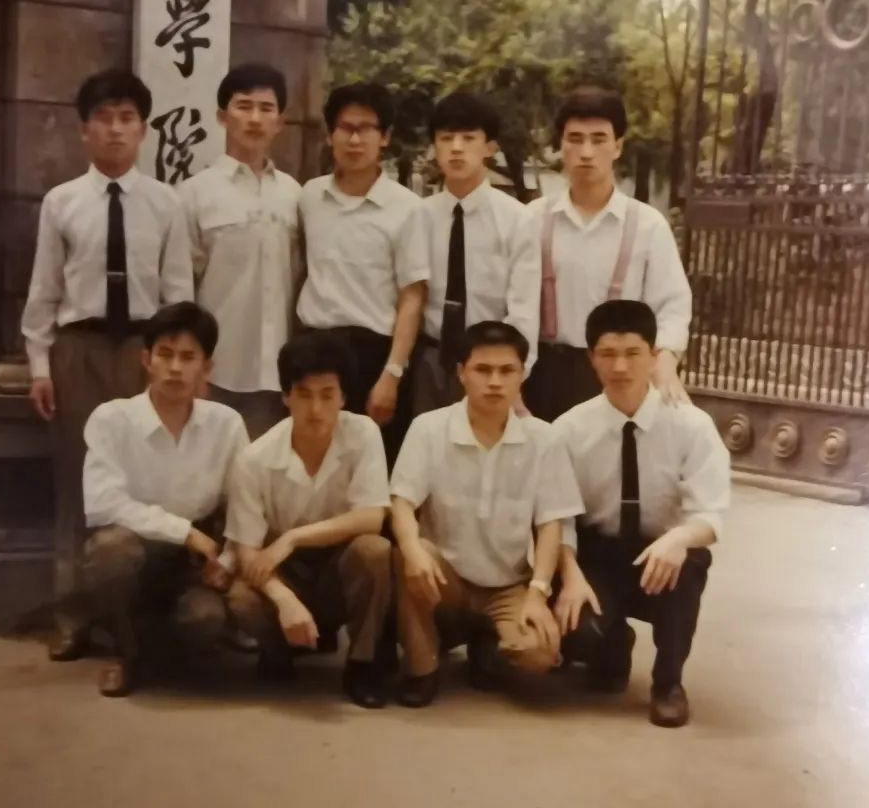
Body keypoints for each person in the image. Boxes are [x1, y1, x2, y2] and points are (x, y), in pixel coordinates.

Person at [21, 69, 195, 661]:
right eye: (103, 118)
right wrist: (40, 366)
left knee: (145, 478)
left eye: (127, 119)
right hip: (81, 350)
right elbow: (44, 291)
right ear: (84, 130)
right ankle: (72, 615)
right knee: (77, 481)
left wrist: (176, 363)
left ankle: (139, 615)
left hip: (144, 353)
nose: (115, 130)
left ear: (143, 130)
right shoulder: (62, 203)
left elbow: (178, 292)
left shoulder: (166, 203)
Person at [550, 299, 730, 729]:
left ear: (653, 355)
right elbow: (557, 517)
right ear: (591, 358)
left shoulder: (691, 426)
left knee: (690, 562)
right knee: (581, 631)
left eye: (633, 353)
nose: (620, 366)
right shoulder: (568, 430)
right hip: (598, 553)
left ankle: (668, 684)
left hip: (661, 554)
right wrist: (570, 577)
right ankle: (611, 646)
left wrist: (678, 539)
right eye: (608, 354)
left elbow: (710, 514)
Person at [390, 321, 583, 708]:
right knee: (409, 553)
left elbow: (551, 524)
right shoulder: (428, 429)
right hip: (446, 579)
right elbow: (402, 503)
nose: (495, 382)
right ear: (461, 373)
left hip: (507, 585)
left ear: (522, 374)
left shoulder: (544, 439)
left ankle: (487, 644)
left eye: (507, 370)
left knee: (539, 654)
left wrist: (538, 592)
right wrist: (411, 549)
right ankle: (422, 667)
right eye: (483, 370)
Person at [81, 303, 249, 697]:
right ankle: (124, 653)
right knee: (110, 550)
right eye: (165, 355)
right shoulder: (112, 419)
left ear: (206, 368)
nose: (175, 368)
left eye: (188, 357)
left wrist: (225, 562)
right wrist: (184, 532)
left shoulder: (226, 424)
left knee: (206, 622)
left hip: (192, 562)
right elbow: (103, 503)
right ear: (147, 360)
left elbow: (244, 507)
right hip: (135, 551)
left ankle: (154, 643)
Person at [225, 330, 394, 709]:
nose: (316, 409)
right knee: (241, 597)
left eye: (327, 395)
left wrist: (294, 537)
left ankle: (362, 663)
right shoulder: (254, 459)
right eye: (303, 394)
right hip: (285, 570)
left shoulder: (363, 433)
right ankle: (280, 647)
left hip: (338, 562)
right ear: (285, 396)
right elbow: (247, 551)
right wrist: (284, 598)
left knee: (375, 551)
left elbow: (372, 517)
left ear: (344, 397)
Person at [523, 84, 692, 424]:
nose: (586, 152)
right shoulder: (532, 219)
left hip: (620, 376)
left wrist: (665, 360)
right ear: (560, 146)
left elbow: (672, 306)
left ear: (617, 146)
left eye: (599, 139)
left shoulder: (648, 225)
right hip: (543, 377)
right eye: (575, 139)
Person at [296, 82, 428, 466]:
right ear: (329, 134)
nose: (354, 139)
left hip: (373, 354)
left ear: (384, 137)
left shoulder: (406, 207)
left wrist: (392, 373)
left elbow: (412, 296)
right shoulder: (309, 197)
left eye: (366, 129)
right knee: (313, 462)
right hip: (314, 348)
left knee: (373, 466)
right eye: (345, 128)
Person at [180, 63, 301, 441]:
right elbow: (181, 288)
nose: (255, 119)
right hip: (217, 369)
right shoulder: (194, 194)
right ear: (222, 116)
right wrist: (191, 363)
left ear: (280, 122)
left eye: (266, 109)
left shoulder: (295, 194)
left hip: (278, 372)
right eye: (244, 106)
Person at [413, 91, 540, 416]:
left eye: (469, 138)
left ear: (490, 147)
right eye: (446, 138)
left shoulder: (517, 220)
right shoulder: (418, 217)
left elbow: (523, 309)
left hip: (489, 364)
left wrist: (515, 377)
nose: (456, 148)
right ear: (434, 146)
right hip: (429, 360)